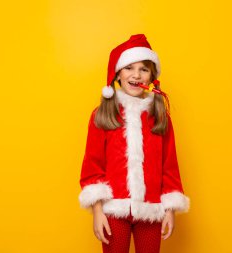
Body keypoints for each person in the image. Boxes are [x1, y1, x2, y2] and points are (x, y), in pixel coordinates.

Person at [78, 34, 190, 253]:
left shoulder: (160, 116)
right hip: (113, 210)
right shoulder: (103, 114)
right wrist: (98, 211)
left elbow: (170, 166)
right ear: (118, 74)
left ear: (151, 77)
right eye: (129, 68)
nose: (136, 75)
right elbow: (93, 165)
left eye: (143, 69)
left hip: (151, 210)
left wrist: (170, 210)